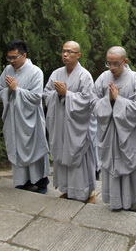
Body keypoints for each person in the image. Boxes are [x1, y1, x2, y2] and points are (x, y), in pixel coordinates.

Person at [91, 46, 136, 212]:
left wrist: (118, 100)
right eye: (108, 63)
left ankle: (132, 202)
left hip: (131, 133)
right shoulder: (103, 78)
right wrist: (108, 101)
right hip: (110, 132)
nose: (112, 67)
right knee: (112, 164)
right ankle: (115, 200)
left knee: (130, 165)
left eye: (116, 63)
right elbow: (92, 102)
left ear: (125, 61)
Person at [43, 41, 96, 203]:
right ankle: (67, 190)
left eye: (70, 52)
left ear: (78, 55)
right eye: (63, 51)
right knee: (61, 154)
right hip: (60, 124)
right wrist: (57, 95)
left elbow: (88, 101)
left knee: (78, 157)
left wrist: (67, 94)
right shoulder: (56, 74)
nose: (65, 54)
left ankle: (86, 193)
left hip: (77, 127)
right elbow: (46, 95)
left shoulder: (84, 75)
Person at [0, 39, 50, 193]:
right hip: (13, 118)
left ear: (24, 55)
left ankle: (41, 182)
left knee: (34, 149)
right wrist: (9, 90)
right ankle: (22, 181)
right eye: (9, 58)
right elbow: (0, 90)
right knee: (17, 147)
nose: (12, 61)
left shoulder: (35, 72)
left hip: (30, 119)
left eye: (15, 57)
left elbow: (36, 97)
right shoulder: (8, 70)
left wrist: (17, 89)